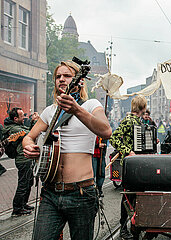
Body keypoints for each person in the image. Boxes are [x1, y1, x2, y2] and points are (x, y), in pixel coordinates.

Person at [22, 60, 112, 239]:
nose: (61, 79)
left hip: (81, 192)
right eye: (58, 76)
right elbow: (28, 137)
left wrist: (77, 109)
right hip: (50, 192)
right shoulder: (50, 111)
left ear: (79, 81)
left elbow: (106, 131)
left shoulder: (90, 105)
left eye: (67, 76)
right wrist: (28, 146)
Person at [110, 95, 147, 239]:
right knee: (127, 196)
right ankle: (123, 227)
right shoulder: (128, 120)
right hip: (130, 164)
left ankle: (134, 224)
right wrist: (128, 151)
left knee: (136, 194)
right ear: (142, 107)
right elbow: (114, 138)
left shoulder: (140, 122)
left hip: (139, 163)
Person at [3, 107, 33, 216]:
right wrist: (34, 123)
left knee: (29, 182)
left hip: (26, 158)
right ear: (15, 118)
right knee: (23, 184)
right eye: (22, 116)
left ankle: (23, 204)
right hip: (22, 159)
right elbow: (29, 133)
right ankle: (17, 208)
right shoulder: (13, 129)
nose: (24, 117)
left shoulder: (18, 126)